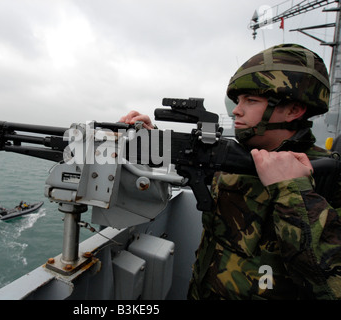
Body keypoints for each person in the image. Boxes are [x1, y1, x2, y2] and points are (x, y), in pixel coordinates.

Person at [120, 44, 341, 299]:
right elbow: (191, 161)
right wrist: (153, 140)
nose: (237, 110)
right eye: (238, 101)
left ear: (293, 110)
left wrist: (291, 190)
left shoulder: (326, 177)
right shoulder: (235, 157)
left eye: (251, 100)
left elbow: (330, 285)